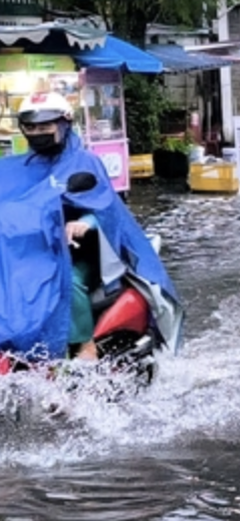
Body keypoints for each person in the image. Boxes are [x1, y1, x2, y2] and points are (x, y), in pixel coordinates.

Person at [0, 92, 183, 361]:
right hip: (31, 250)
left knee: (68, 282)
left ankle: (85, 346)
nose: (37, 133)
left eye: (45, 126)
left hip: (81, 251)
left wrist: (83, 223)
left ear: (65, 123)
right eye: (31, 127)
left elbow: (105, 209)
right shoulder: (11, 168)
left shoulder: (84, 163)